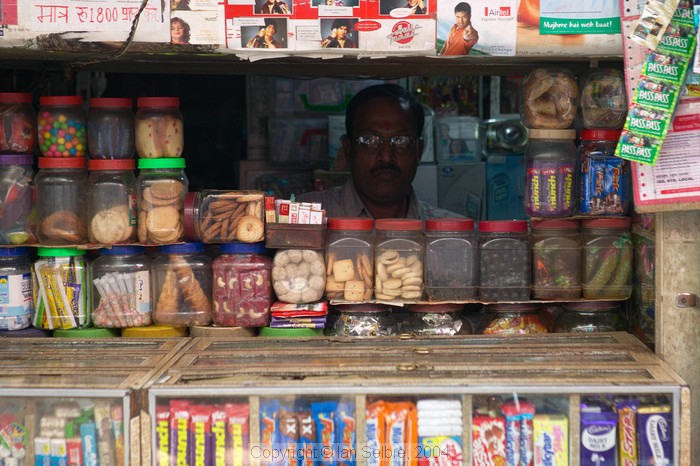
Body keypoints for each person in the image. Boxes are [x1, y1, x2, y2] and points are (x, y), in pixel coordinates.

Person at [297, 84, 463, 220]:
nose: (386, 156)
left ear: (418, 151)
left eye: (401, 141)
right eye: (369, 140)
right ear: (348, 150)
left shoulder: (453, 236)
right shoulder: (301, 219)